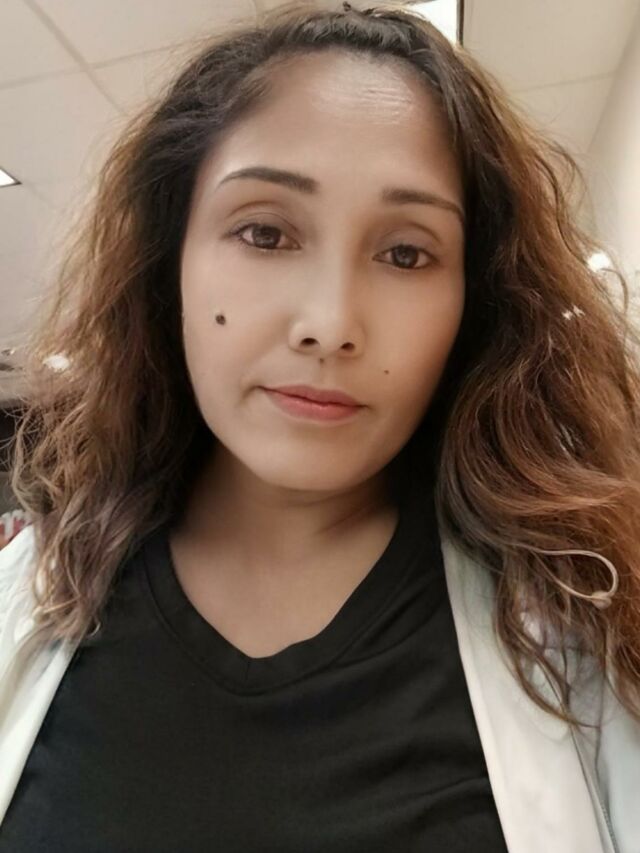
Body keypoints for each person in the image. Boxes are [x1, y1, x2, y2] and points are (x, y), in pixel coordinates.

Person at [0, 1, 639, 850]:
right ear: (170, 261)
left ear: (474, 300)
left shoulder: (589, 628)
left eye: (406, 253)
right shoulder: (25, 598)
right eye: (265, 233)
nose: (331, 323)